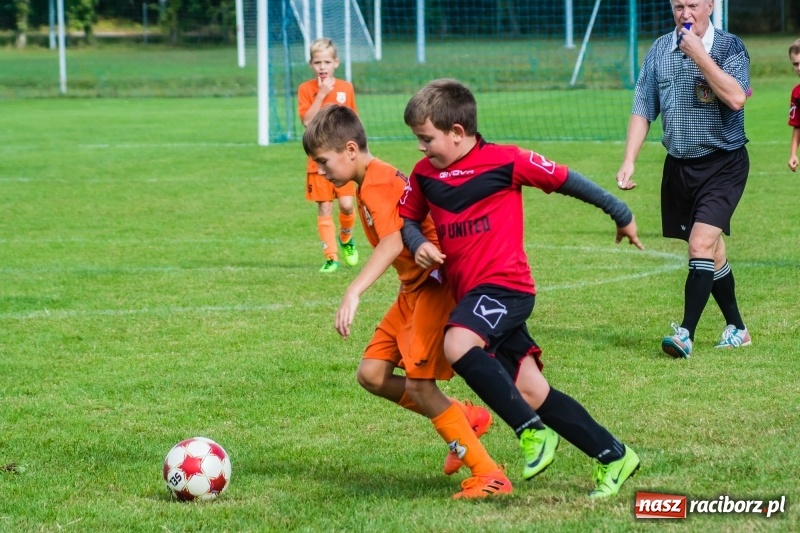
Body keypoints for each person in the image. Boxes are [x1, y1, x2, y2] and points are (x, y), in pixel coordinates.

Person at [399, 78, 643, 498]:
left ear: (457, 132)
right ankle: (615, 455)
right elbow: (407, 221)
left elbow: (569, 180)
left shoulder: (506, 161)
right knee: (531, 390)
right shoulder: (424, 175)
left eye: (426, 138)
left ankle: (532, 433)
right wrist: (419, 243)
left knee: (457, 343)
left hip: (506, 287)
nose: (421, 148)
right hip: (473, 296)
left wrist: (619, 210)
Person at [302, 104, 511, 500]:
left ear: (350, 149)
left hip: (434, 287)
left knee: (419, 384)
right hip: (411, 290)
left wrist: (354, 290)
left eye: (323, 162)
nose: (322, 172)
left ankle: (489, 475)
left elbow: (395, 239)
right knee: (372, 375)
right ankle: (465, 417)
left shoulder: (379, 182)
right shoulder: (368, 181)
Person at [615, 0, 752, 358]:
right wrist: (629, 159)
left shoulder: (729, 47)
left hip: (724, 164)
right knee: (712, 251)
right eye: (678, 6)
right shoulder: (661, 49)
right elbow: (643, 106)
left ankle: (685, 335)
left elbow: (737, 98)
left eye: (693, 4)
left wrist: (698, 56)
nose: (685, 13)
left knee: (700, 246)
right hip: (679, 167)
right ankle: (737, 328)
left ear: (710, 5)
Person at [298, 38, 359, 273]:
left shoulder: (346, 88)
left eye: (326, 61)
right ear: (311, 64)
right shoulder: (306, 89)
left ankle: (346, 239)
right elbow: (306, 121)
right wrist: (321, 94)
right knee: (324, 207)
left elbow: (353, 121)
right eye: (317, 62)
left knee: (346, 204)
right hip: (318, 161)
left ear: (336, 63)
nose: (322, 67)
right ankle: (331, 257)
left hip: (343, 159)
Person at [787, 38, 800, 173]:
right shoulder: (797, 93)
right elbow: (798, 125)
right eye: (796, 64)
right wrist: (793, 153)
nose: (799, 68)